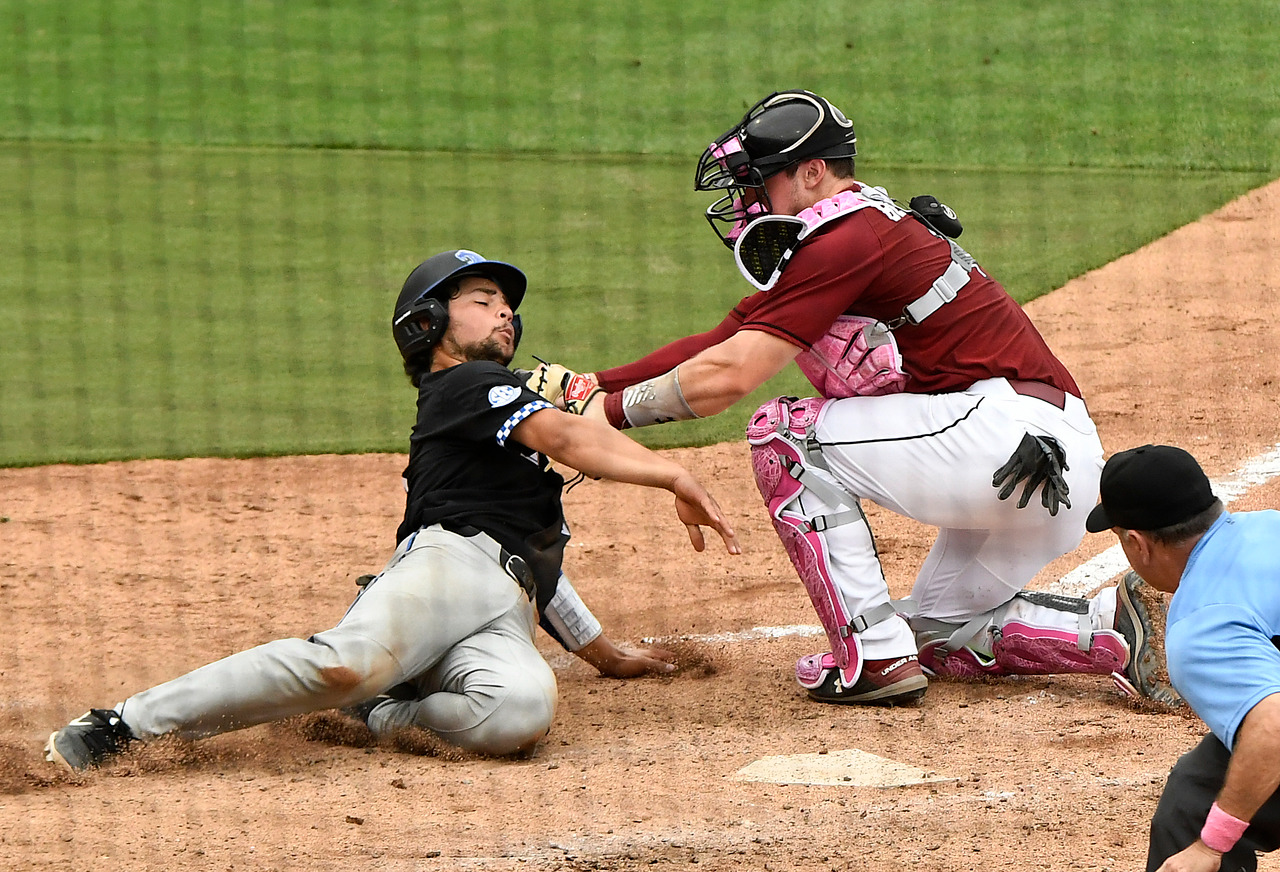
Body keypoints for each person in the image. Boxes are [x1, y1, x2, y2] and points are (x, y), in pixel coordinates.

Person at [529, 89, 1163, 707]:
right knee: (935, 637)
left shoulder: (847, 238)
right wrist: (592, 385)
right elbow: (718, 341)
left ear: (811, 172)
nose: (748, 198)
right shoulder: (849, 236)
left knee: (786, 435)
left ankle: (869, 657)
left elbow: (727, 376)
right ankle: (1108, 630)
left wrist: (608, 415)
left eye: (761, 180)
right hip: (1053, 462)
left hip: (1001, 439)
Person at [44, 249, 740, 771]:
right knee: (343, 662)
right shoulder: (466, 384)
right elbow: (567, 436)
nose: (505, 312)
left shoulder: (496, 415)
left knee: (519, 714)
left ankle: (378, 713)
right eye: (482, 298)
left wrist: (604, 654)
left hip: (505, 603)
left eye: (507, 304)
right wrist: (671, 473)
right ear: (430, 323)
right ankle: (121, 725)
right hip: (442, 571)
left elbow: (532, 561)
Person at [1086, 444, 1280, 872]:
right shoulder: (1270, 527)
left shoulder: (1198, 625)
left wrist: (1211, 847)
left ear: (1138, 544)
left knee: (1204, 824)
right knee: (1194, 798)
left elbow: (1273, 727)